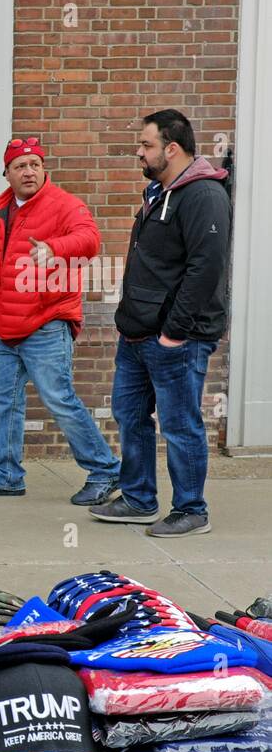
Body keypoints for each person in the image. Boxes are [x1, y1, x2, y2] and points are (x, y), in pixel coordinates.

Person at [92, 109, 231, 538]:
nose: (139, 151)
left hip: (177, 338)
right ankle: (138, 498)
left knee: (179, 423)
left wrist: (173, 332)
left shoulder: (203, 195)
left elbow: (204, 269)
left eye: (146, 144)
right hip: (137, 333)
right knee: (130, 413)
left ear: (172, 148)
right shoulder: (159, 192)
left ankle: (191, 510)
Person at [0, 136, 120, 504]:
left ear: (44, 169)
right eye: (20, 166)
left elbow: (90, 240)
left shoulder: (64, 205)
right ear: (7, 173)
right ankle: (5, 475)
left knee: (59, 399)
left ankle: (106, 472)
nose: (28, 171)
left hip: (46, 322)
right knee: (4, 403)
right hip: (4, 327)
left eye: (35, 164)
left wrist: (55, 248)